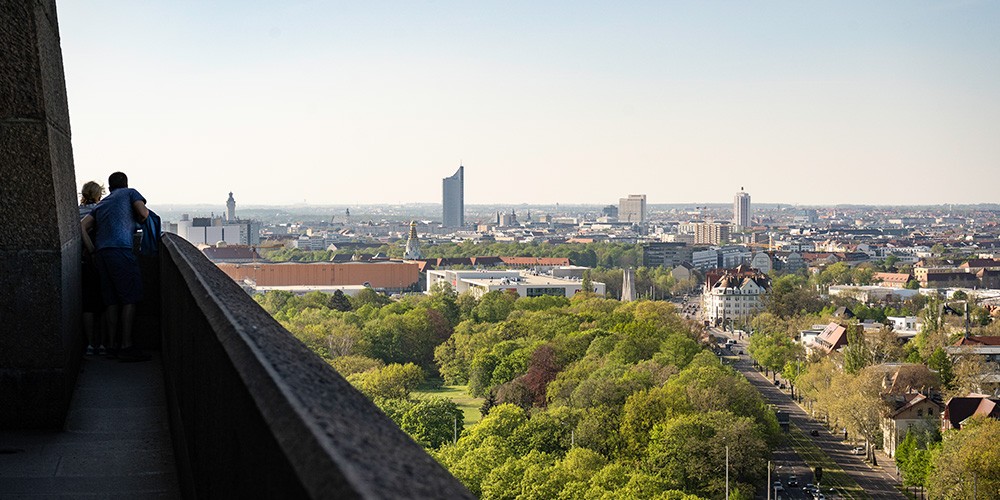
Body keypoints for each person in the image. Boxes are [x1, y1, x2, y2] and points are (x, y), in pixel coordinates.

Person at [80, 172, 150, 362]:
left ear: (109, 188)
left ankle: (111, 345)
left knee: (111, 301)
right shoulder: (130, 193)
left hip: (101, 255)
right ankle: (126, 346)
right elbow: (143, 213)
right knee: (129, 298)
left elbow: (82, 226)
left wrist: (93, 251)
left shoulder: (103, 203)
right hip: (121, 250)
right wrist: (143, 219)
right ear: (126, 184)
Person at [79, 181, 105, 355]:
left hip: (80, 261)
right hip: (98, 257)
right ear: (99, 195)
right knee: (103, 302)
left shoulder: (75, 211)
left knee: (88, 304)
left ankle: (89, 344)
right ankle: (101, 343)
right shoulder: (100, 210)